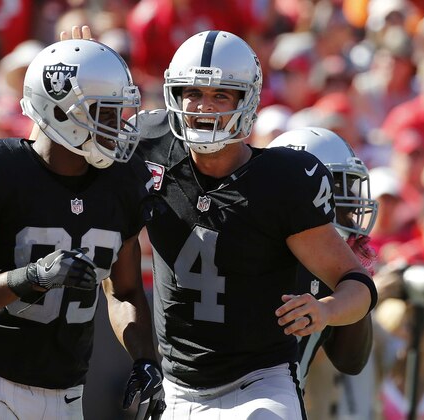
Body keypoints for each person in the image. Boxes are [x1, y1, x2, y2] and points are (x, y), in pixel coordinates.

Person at [133, 30, 377, 419]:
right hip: (174, 383)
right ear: (174, 95)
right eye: (192, 93)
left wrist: (328, 309)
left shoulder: (283, 179)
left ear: (246, 101)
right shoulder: (150, 142)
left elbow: (356, 281)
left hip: (258, 383)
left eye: (220, 96)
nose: (203, 108)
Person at [0, 36, 163, 420]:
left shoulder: (123, 184)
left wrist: (145, 358)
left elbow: (125, 292)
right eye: (105, 113)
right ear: (62, 112)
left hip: (66, 390)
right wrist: (31, 277)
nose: (118, 126)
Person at [267, 127, 379, 418]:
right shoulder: (256, 254)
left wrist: (349, 275)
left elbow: (351, 359)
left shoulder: (325, 269)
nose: (353, 205)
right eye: (338, 188)